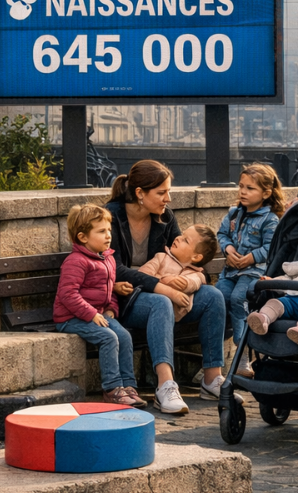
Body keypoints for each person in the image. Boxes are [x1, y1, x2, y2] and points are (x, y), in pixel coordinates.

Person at [106, 159, 228, 413]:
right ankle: (165, 385)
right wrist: (163, 287)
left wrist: (190, 281)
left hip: (166, 294)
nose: (168, 198)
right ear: (140, 193)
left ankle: (211, 378)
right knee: (161, 301)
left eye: (168, 191)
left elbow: (192, 259)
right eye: (161, 193)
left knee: (213, 296)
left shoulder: (164, 218)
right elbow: (114, 268)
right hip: (124, 298)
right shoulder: (112, 216)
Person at [54, 204, 143, 407]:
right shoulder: (76, 261)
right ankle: (112, 389)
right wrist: (92, 314)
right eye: (101, 231)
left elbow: (108, 289)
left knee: (124, 336)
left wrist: (111, 308)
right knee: (108, 337)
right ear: (83, 237)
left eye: (109, 230)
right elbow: (67, 294)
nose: (108, 235)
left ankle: (128, 385)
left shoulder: (107, 258)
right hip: (70, 318)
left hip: (98, 315)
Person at [214, 163, 285, 374]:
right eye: (241, 186)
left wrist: (250, 258)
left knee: (238, 299)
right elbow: (222, 234)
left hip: (254, 272)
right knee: (218, 299)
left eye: (250, 188)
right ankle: (214, 361)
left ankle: (242, 354)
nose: (243, 192)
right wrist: (227, 250)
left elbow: (270, 248)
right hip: (231, 270)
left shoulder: (270, 219)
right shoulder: (235, 213)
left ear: (266, 193)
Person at [138, 225, 219, 321]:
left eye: (186, 240)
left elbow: (190, 284)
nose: (178, 238)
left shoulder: (197, 275)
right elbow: (141, 275)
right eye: (181, 234)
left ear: (196, 257)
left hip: (177, 314)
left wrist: (183, 283)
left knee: (215, 295)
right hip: (151, 305)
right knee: (163, 303)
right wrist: (166, 280)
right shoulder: (161, 257)